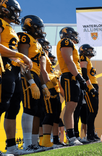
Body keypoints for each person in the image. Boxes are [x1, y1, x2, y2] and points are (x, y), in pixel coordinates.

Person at [0, 0, 35, 155]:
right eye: (15, 11)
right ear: (5, 10)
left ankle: (11, 146)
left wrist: (20, 61)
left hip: (14, 71)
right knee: (1, 105)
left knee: (13, 108)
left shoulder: (10, 28)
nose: (17, 15)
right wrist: (21, 55)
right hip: (2, 67)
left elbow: (10, 49)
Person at [18, 15, 54, 150]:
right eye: (38, 27)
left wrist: (43, 85)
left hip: (37, 77)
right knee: (29, 108)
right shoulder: (24, 37)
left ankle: (34, 143)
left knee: (38, 111)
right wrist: (31, 82)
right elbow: (23, 61)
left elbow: (41, 68)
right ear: (30, 26)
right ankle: (27, 144)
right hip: (28, 75)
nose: (40, 30)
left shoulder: (38, 43)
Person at [56, 26, 85, 145]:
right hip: (69, 76)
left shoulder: (69, 43)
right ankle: (71, 136)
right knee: (70, 107)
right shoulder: (66, 42)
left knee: (73, 108)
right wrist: (79, 77)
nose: (75, 36)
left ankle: (73, 136)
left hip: (72, 76)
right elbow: (68, 61)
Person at [38, 37, 65, 147]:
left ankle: (55, 139)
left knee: (55, 117)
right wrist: (47, 85)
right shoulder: (41, 55)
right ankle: (42, 140)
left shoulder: (54, 70)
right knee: (45, 115)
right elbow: (42, 72)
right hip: (47, 88)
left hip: (55, 91)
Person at [78, 44, 100, 142]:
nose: (91, 52)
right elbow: (84, 74)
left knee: (94, 111)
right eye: (89, 50)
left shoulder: (88, 59)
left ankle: (92, 133)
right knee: (91, 111)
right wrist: (90, 87)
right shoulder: (83, 57)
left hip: (93, 85)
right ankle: (89, 135)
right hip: (89, 87)